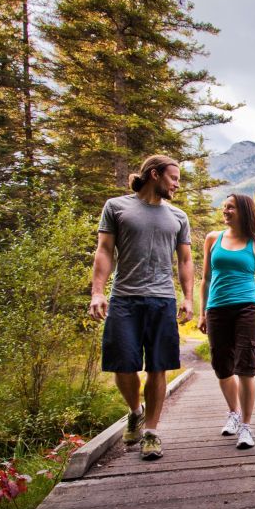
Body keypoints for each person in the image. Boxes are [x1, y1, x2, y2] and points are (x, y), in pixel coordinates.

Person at [89, 155, 194, 460]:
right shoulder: (116, 207)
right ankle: (135, 410)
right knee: (123, 365)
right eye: (173, 178)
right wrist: (98, 292)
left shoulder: (178, 216)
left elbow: (185, 260)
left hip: (162, 299)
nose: (176, 185)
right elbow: (104, 251)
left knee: (159, 366)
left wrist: (188, 298)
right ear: (154, 174)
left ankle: (151, 432)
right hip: (124, 297)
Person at [197, 193, 255, 449]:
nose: (225, 211)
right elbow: (205, 279)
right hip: (217, 308)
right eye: (224, 207)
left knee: (246, 366)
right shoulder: (212, 239)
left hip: (247, 308)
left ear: (244, 211)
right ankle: (234, 413)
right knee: (221, 365)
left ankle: (247, 427)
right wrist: (202, 312)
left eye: (230, 207)